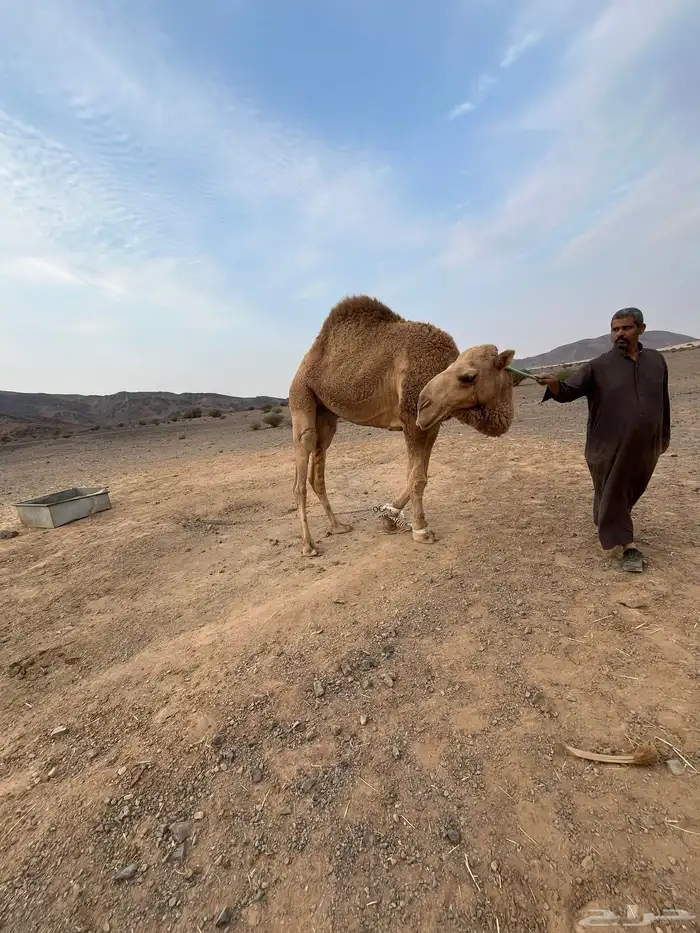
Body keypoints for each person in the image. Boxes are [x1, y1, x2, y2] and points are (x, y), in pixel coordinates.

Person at [536, 308, 671, 572]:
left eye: (626, 328)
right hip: (607, 445)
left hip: (646, 445)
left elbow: (663, 400)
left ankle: (607, 516)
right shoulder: (598, 366)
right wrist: (554, 384)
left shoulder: (657, 361)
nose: (619, 334)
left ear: (641, 329)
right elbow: (568, 391)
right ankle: (628, 546)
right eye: (615, 329)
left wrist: (663, 435)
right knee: (614, 490)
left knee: (627, 490)